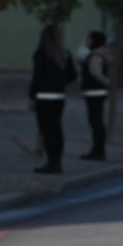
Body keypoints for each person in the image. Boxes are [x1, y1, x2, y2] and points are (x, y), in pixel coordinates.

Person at [28, 24, 76, 174]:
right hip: (59, 97)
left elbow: (37, 78)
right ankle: (57, 162)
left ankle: (51, 163)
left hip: (43, 97)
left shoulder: (41, 54)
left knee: (47, 130)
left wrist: (32, 96)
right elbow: (73, 75)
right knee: (57, 129)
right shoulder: (65, 54)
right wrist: (60, 83)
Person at [80, 31, 110, 161]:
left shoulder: (95, 55)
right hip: (97, 92)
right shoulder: (101, 54)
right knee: (96, 122)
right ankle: (97, 150)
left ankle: (98, 151)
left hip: (94, 92)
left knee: (95, 122)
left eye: (89, 38)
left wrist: (106, 82)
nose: (87, 41)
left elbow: (95, 72)